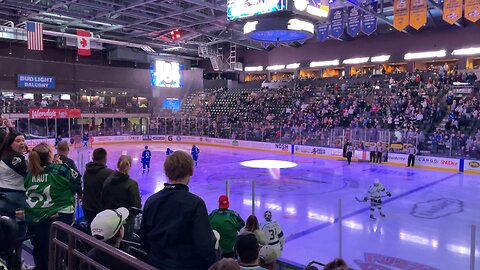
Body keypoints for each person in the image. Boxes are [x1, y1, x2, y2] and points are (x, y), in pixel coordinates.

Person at [140, 150, 217, 270]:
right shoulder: (195, 204)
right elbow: (205, 247)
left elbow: (144, 239)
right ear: (191, 171)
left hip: (155, 263)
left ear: (166, 171)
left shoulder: (152, 201)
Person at [24, 142, 82, 270]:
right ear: (50, 155)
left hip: (35, 218)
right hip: (57, 217)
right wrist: (64, 166)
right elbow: (77, 182)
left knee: (40, 251)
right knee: (57, 253)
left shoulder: (30, 173)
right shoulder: (59, 170)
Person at [0, 131, 27, 270]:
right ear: (11, 143)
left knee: (5, 233)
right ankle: (16, 262)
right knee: (19, 231)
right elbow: (32, 174)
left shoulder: (3, 155)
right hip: (17, 203)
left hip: (3, 200)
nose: (22, 143)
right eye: (18, 140)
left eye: (23, 140)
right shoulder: (16, 159)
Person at [101, 155, 141, 241]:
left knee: (111, 243)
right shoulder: (132, 184)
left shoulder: (108, 180)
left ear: (118, 165)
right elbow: (137, 206)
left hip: (110, 219)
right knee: (125, 246)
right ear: (130, 166)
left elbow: (102, 200)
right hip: (126, 221)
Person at [82, 148, 114, 231]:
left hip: (87, 208)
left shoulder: (87, 171)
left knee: (90, 232)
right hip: (101, 211)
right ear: (105, 158)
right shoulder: (108, 173)